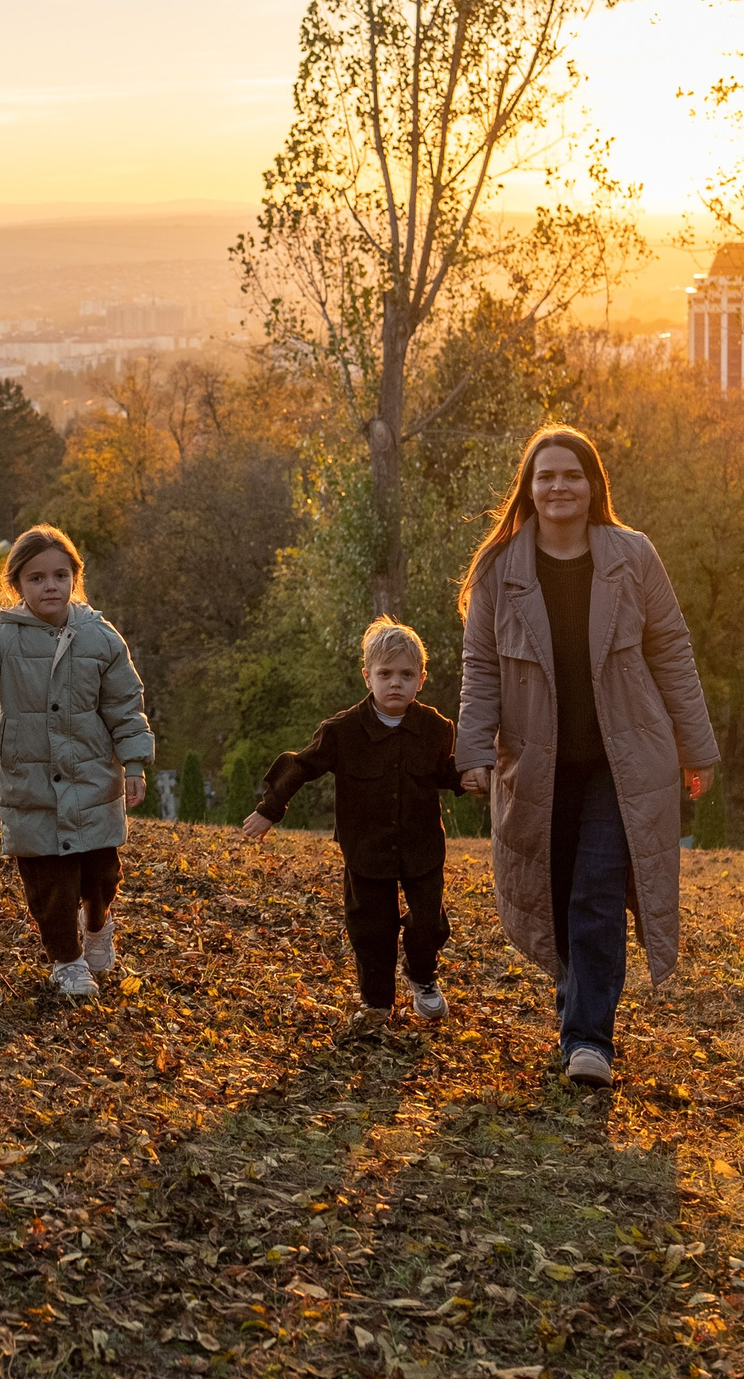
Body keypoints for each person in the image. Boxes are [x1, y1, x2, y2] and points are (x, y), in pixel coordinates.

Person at [454, 425, 718, 1089]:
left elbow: (673, 652)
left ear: (594, 485)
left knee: (597, 890)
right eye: (545, 476)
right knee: (555, 893)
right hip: (535, 764)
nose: (559, 487)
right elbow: (479, 667)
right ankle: (577, 1009)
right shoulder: (499, 569)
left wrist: (697, 747)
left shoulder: (634, 556)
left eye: (571, 475)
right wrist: (472, 750)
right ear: (528, 488)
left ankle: (588, 1040)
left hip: (622, 760)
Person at [0, 526, 152, 999]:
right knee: (49, 888)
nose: (50, 586)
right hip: (30, 786)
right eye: (36, 578)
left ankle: (97, 924)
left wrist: (135, 762)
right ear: (17, 585)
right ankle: (68, 962)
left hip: (92, 782)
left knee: (101, 877)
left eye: (60, 575)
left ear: (75, 578)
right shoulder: (3, 640)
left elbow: (125, 704)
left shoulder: (101, 637)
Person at [240, 617, 465, 1033]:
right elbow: (302, 766)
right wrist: (270, 809)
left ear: (421, 679)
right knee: (371, 926)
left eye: (406, 674)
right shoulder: (343, 731)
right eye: (385, 674)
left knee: (429, 920)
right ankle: (377, 1002)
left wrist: (479, 779)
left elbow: (449, 775)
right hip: (367, 849)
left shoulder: (437, 729)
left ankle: (422, 976)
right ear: (367, 676)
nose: (395, 683)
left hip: (421, 846)